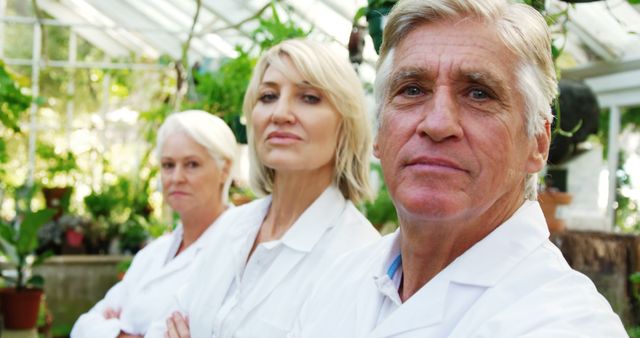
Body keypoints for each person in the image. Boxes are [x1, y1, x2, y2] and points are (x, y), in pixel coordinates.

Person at [290, 0, 627, 337]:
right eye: (412, 90)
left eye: (479, 94)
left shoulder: (568, 324)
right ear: (379, 132)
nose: (437, 124)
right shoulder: (337, 279)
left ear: (538, 142)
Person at [143, 38, 380, 338]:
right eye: (268, 96)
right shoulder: (230, 227)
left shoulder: (357, 257)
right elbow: (163, 322)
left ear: (346, 122)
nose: (280, 114)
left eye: (308, 97)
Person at [71, 110, 237, 338]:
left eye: (192, 164)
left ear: (224, 170)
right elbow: (82, 327)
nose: (176, 177)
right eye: (168, 165)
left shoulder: (238, 251)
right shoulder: (152, 254)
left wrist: (114, 329)